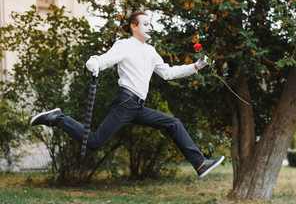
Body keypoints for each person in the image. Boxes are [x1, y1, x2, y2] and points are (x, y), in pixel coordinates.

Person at [30, 11, 224, 178]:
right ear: (133, 26)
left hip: (138, 106)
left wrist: (197, 66)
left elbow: (168, 73)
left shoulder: (151, 51)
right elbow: (104, 59)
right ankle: (57, 118)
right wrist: (94, 62)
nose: (150, 27)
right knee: (95, 142)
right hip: (125, 103)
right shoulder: (124, 45)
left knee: (174, 123)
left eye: (151, 24)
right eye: (145, 24)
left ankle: (200, 164)